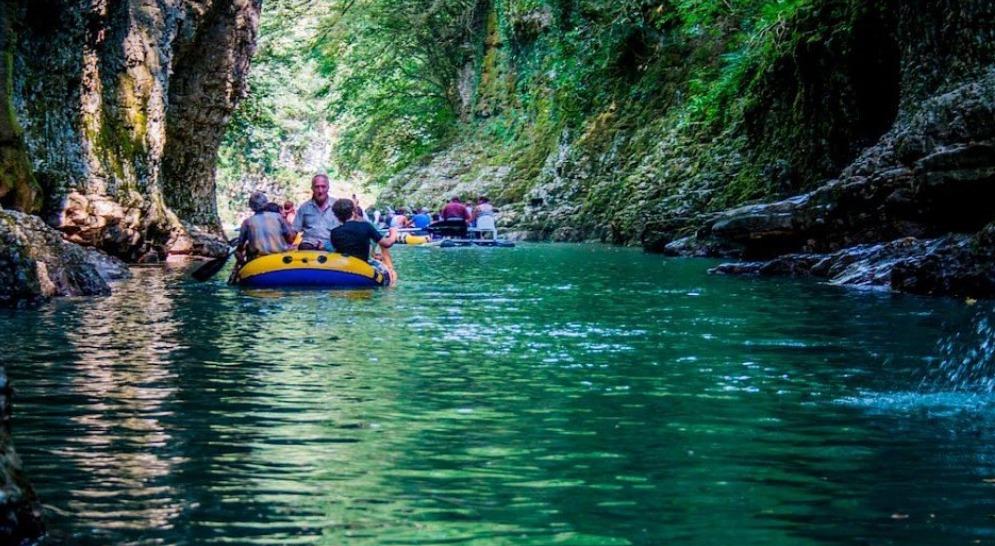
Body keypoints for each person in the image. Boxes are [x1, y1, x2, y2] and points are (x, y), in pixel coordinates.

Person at [329, 198, 398, 281]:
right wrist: (393, 232)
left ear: (337, 216)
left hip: (343, 268)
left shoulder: (334, 232)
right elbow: (387, 243)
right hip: (363, 268)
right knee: (391, 272)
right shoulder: (366, 226)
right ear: (353, 212)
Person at [236, 192, 295, 261]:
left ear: (251, 206)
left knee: (238, 253)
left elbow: (240, 248)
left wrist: (241, 258)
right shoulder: (278, 217)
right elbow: (290, 238)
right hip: (280, 259)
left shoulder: (247, 222)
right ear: (266, 203)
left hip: (258, 261)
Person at [293, 174, 340, 250]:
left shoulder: (338, 206)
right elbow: (294, 230)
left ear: (328, 187)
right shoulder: (304, 208)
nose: (320, 191)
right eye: (317, 187)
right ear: (312, 188)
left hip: (332, 250)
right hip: (308, 249)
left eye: (323, 186)